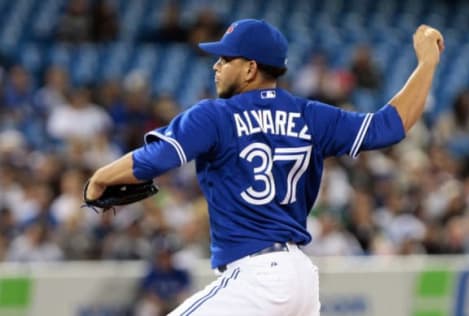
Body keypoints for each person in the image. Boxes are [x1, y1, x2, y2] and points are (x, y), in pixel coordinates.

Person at [86, 19, 444, 316]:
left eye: (225, 59)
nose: (216, 65)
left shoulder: (215, 115)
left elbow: (153, 160)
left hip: (257, 278)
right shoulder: (311, 115)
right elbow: (390, 126)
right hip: (301, 280)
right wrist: (427, 63)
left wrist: (100, 177)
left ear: (250, 68)